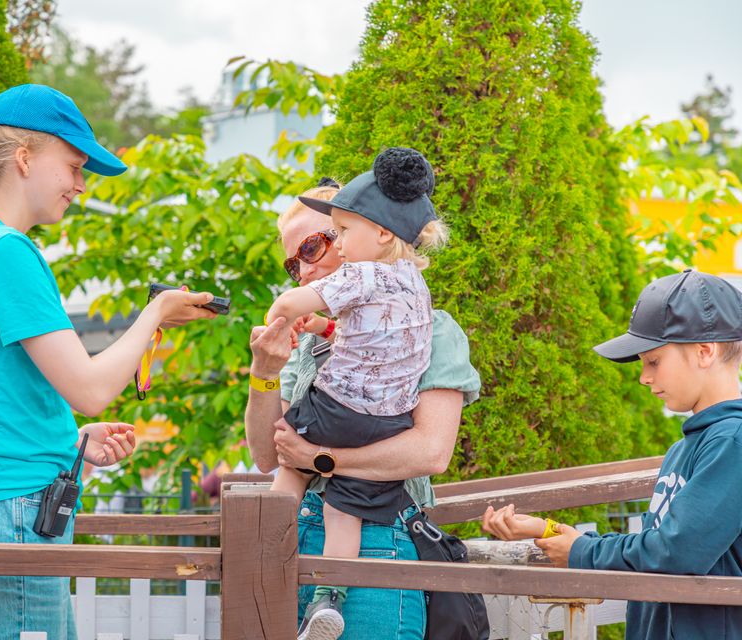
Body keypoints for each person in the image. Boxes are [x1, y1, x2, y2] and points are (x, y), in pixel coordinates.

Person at [0, 83, 218, 639]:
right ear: (24, 158)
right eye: (73, 166)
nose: (80, 184)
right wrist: (156, 315)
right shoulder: (5, 250)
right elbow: (90, 389)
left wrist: (69, 442)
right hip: (8, 518)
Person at [245, 177, 481, 639]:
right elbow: (267, 455)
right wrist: (264, 371)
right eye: (293, 265)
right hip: (292, 536)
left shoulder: (432, 328)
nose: (304, 271)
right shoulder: (316, 337)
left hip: (379, 538)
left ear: (358, 236)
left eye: (312, 247)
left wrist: (320, 461)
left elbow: (430, 452)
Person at [481, 270, 742, 640]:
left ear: (704, 351)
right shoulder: (683, 449)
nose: (644, 378)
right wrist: (548, 530)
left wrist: (582, 552)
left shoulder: (733, 441)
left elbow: (677, 552)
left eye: (653, 361)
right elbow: (655, 548)